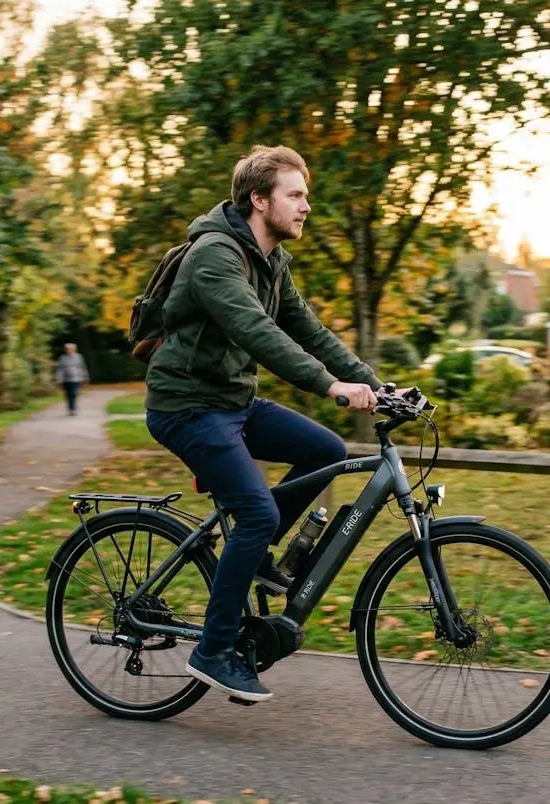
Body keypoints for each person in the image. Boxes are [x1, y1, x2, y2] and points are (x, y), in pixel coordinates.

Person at [144, 145, 382, 703]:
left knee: (326, 449)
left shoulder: (272, 260)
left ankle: (256, 554)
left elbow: (308, 329)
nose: (306, 208)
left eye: (306, 197)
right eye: (295, 196)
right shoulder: (215, 256)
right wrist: (330, 386)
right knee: (256, 513)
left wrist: (373, 382)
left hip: (233, 402)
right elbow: (258, 332)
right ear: (259, 199)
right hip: (187, 408)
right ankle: (213, 652)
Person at [55, 343, 88, 415]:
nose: (69, 350)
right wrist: (59, 378)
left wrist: (85, 376)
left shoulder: (79, 357)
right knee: (68, 394)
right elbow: (60, 369)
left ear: (74, 350)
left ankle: (73, 409)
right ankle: (70, 408)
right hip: (66, 379)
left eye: (71, 349)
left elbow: (82, 367)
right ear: (66, 350)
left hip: (76, 378)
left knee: (74, 393)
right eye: (67, 349)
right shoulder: (62, 358)